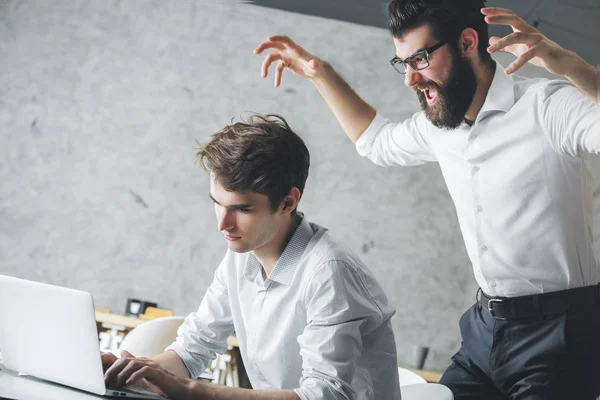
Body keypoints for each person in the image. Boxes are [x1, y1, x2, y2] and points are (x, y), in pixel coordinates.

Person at [254, 1, 600, 399]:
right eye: (403, 63)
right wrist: (318, 72)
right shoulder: (441, 127)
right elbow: (377, 142)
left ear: (467, 42)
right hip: (484, 330)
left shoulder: (547, 106)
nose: (410, 78)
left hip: (560, 335)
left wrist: (574, 66)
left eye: (419, 58)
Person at [101, 113, 401, 400]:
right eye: (217, 203)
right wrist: (137, 374)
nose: (222, 224)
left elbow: (322, 396)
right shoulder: (241, 254)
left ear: (287, 202)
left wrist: (191, 391)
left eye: (242, 209)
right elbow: (194, 348)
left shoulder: (329, 272)